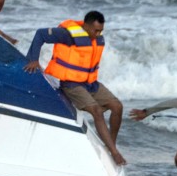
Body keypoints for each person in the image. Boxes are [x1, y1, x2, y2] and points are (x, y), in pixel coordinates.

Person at [24, 10, 127, 165]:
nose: (98, 34)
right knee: (97, 112)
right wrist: (33, 59)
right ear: (85, 25)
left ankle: (110, 145)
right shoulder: (67, 35)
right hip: (71, 84)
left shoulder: (95, 38)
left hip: (90, 83)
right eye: (95, 30)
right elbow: (40, 34)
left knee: (117, 106)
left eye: (101, 31)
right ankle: (114, 153)